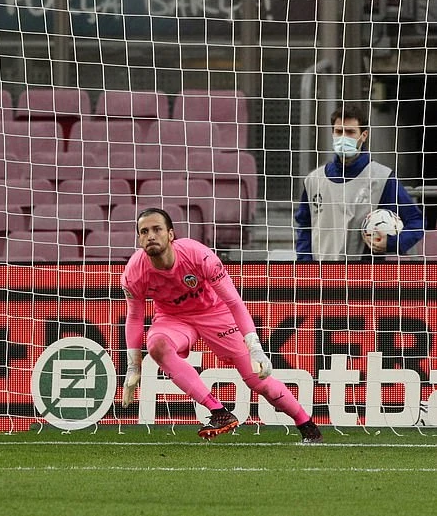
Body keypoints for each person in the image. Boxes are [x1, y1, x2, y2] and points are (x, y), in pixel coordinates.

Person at [121, 208, 322, 443]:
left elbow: (234, 302)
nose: (151, 236)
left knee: (259, 381)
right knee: (157, 346)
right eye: (144, 232)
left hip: (215, 313)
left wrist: (255, 347)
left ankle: (306, 424)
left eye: (157, 229)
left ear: (171, 234)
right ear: (139, 239)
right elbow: (135, 317)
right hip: (173, 318)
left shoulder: (198, 255)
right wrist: (134, 366)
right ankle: (219, 412)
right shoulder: (133, 272)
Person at [295, 104, 424, 261]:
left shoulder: (382, 178)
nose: (343, 137)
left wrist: (392, 243)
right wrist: (305, 264)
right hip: (322, 273)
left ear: (363, 135)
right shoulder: (313, 180)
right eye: (339, 131)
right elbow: (304, 227)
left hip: (363, 272)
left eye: (350, 132)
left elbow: (416, 221)